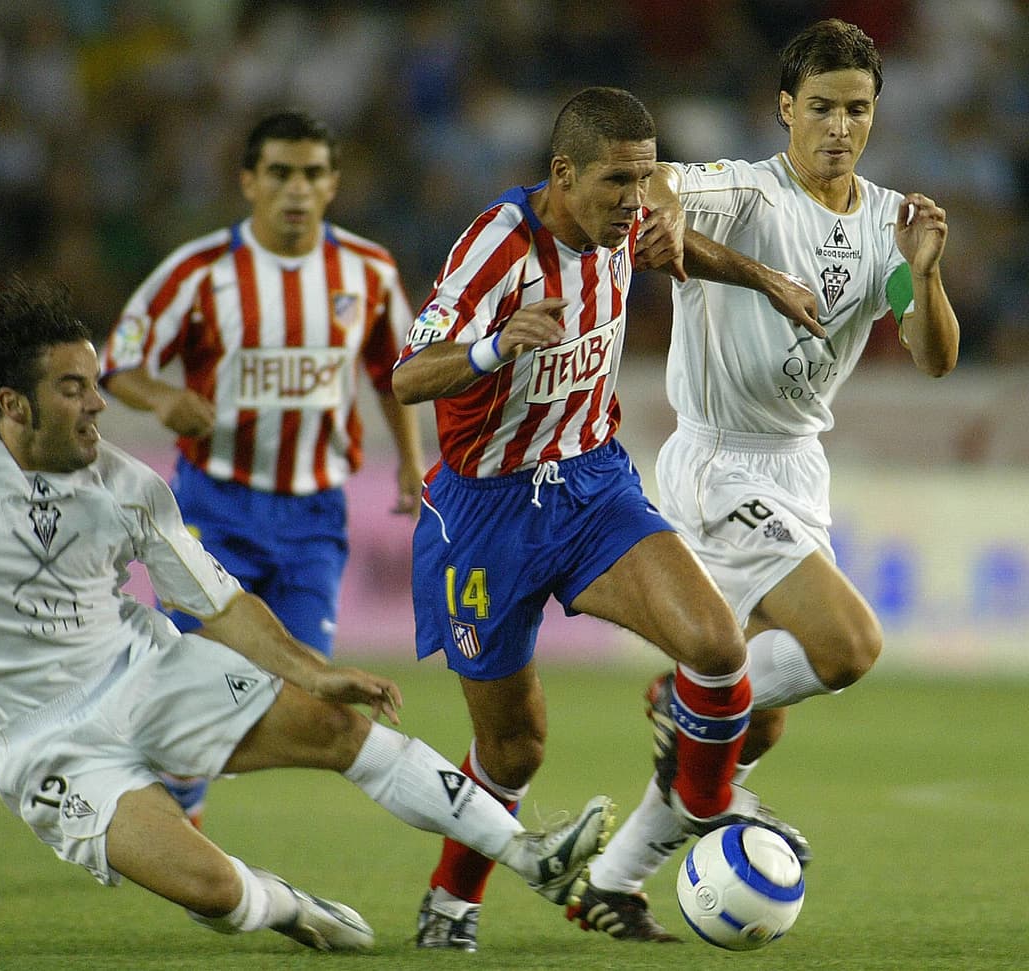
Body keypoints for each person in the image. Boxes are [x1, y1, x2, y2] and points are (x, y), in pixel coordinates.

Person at [0, 278, 612, 953]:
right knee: (214, 892)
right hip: (47, 742)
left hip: (150, 673)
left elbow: (216, 600)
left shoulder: (128, 484)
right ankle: (284, 906)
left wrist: (315, 672)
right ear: (12, 405)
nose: (98, 403)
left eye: (95, 383)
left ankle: (530, 854)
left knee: (335, 727)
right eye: (73, 388)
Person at [391, 86, 816, 952]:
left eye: (645, 178)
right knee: (514, 750)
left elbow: (675, 243)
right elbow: (406, 375)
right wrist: (493, 345)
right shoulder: (497, 247)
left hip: (591, 486)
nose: (635, 200)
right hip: (486, 512)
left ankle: (702, 798)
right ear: (563, 173)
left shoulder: (626, 220)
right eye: (618, 182)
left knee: (717, 645)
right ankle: (451, 901)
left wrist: (765, 279)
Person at [587, 19, 960, 939]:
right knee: (848, 645)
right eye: (822, 107)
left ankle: (609, 882)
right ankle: (693, 694)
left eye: (858, 109)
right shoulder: (746, 192)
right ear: (785, 109)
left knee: (751, 725)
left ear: (875, 113)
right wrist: (665, 207)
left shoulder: (888, 222)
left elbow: (932, 355)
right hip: (719, 460)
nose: (840, 126)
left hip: (799, 466)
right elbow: (665, 183)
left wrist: (924, 275)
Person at [101, 110, 425, 825]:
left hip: (314, 517)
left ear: (333, 183)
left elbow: (393, 371)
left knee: (307, 694)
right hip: (213, 510)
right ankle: (181, 806)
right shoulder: (197, 271)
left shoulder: (368, 270)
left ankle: (183, 783)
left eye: (312, 173)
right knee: (190, 684)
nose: (296, 189)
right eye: (280, 172)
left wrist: (409, 460)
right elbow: (118, 362)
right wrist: (164, 397)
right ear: (249, 181)